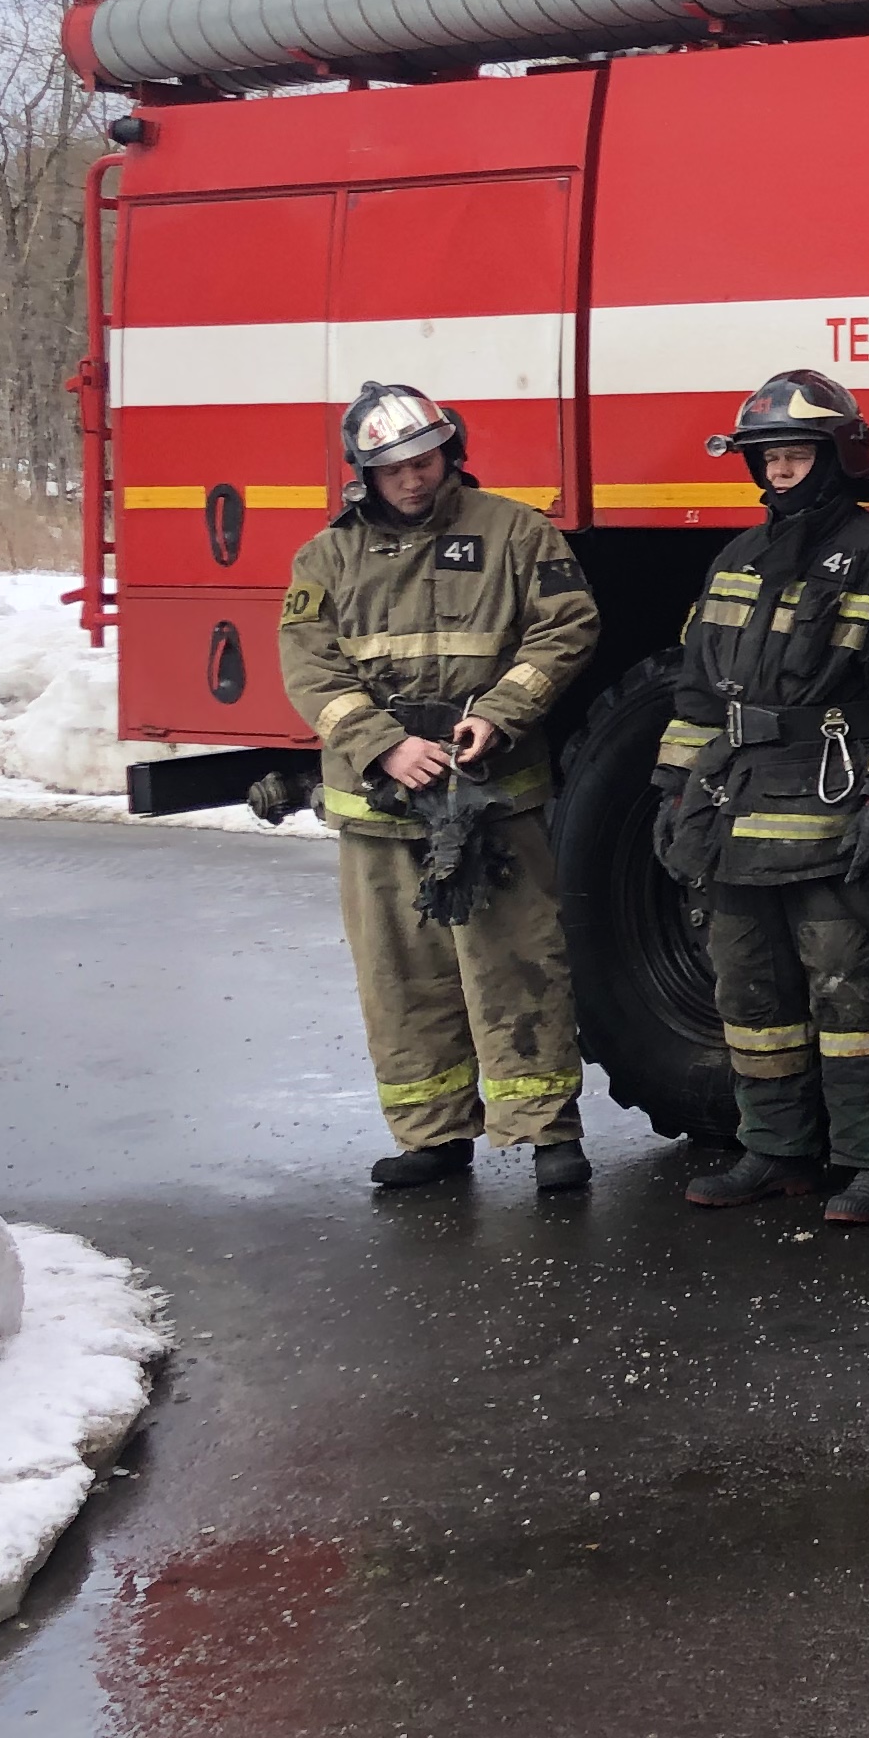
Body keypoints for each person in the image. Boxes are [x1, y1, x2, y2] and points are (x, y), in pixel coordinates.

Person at [655, 371, 869, 1226]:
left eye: (795, 454)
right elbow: (693, 692)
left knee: (857, 994)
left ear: (837, 459)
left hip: (833, 808)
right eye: (769, 457)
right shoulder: (737, 559)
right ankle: (776, 1149)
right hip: (736, 808)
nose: (781, 470)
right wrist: (674, 790)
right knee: (751, 995)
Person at [274, 380, 601, 1195]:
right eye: (395, 470)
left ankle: (547, 1133)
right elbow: (311, 665)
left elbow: (569, 627)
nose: (414, 479)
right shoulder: (326, 557)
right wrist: (382, 746)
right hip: (382, 807)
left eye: (425, 460)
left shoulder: (518, 534)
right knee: (401, 976)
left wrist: (501, 713)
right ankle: (431, 1135)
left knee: (519, 962)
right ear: (364, 475)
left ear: (450, 452)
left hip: (491, 794)